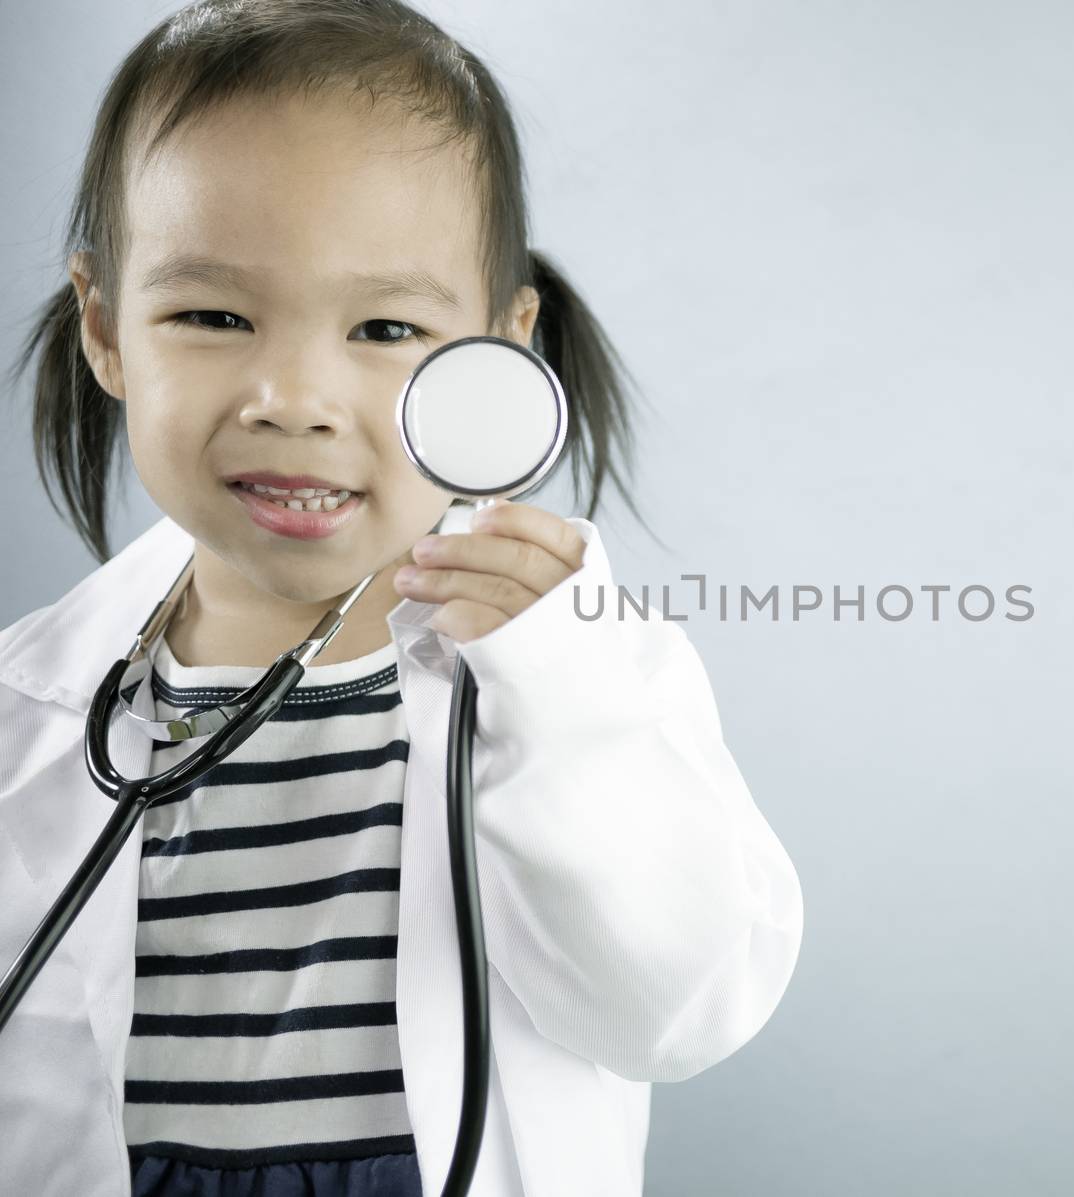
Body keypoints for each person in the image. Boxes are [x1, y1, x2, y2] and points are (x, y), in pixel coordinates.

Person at [0, 2, 804, 1195]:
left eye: (384, 327)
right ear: (108, 331)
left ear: (499, 349)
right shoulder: (30, 706)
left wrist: (560, 701)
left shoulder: (581, 677)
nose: (294, 396)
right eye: (211, 316)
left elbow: (674, 1013)